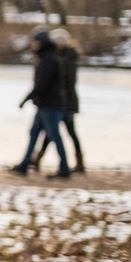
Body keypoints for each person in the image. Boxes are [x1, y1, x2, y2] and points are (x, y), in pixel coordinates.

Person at [10, 28, 70, 179]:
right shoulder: (47, 58)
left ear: (41, 43)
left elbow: (42, 85)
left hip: (50, 106)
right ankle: (24, 165)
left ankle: (64, 168)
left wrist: (27, 98)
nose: (32, 44)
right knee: (34, 134)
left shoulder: (48, 60)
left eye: (34, 42)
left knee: (54, 137)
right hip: (45, 105)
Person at [33, 27, 84, 174]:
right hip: (62, 101)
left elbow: (67, 83)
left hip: (66, 102)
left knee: (68, 132)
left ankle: (78, 163)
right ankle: (37, 160)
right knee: (51, 133)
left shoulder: (67, 59)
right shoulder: (62, 57)